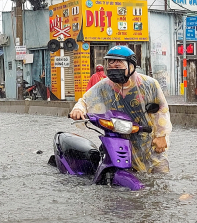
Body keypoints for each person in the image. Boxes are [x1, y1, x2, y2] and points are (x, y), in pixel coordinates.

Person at [70, 45, 172, 173]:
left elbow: (162, 110)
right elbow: (85, 100)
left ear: (131, 66)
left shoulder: (149, 84)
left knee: (159, 179)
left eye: (118, 67)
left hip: (149, 141)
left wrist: (161, 135)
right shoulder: (104, 86)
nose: (113, 71)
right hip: (119, 141)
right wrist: (79, 109)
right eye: (110, 67)